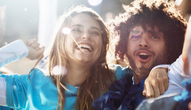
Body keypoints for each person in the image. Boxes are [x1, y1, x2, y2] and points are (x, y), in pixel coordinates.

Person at [0, 5, 169, 110]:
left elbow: (160, 73)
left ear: (103, 45)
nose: (86, 36)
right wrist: (20, 49)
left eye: (94, 32)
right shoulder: (29, 86)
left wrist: (160, 69)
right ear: (61, 40)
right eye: (77, 30)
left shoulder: (119, 78)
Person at [92, 0, 187, 109]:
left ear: (170, 47)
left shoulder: (178, 79)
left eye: (154, 36)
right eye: (135, 36)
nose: (143, 43)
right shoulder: (113, 84)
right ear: (124, 44)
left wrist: (166, 69)